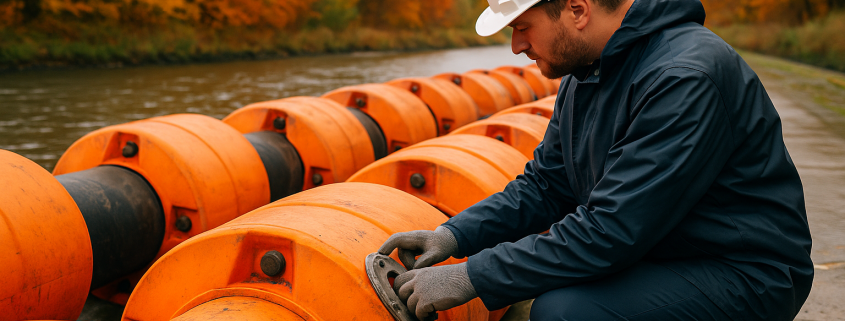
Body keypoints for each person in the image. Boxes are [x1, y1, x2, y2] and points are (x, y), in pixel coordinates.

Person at [377, 0, 815, 319]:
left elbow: (611, 230)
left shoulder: (684, 77)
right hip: (666, 248)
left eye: (522, 27)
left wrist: (472, 277)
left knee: (566, 312)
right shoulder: (588, 69)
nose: (515, 46)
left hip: (745, 272)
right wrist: (454, 235)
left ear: (577, 10)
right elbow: (546, 185)